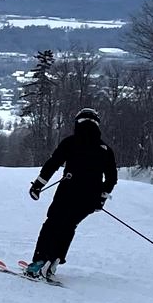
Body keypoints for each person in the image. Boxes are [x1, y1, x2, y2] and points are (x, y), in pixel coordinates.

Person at [24, 107, 117, 282]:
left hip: (68, 191)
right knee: (68, 226)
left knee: (52, 224)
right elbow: (112, 178)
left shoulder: (71, 142)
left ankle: (39, 262)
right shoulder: (105, 149)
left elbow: (52, 164)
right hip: (90, 198)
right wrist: (101, 199)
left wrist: (37, 186)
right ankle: (54, 261)